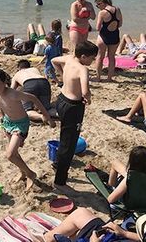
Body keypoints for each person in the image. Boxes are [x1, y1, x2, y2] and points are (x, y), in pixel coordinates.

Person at [0, 68, 55, 190]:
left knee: (10, 155)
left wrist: (46, 116)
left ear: (5, 83)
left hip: (20, 124)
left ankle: (30, 173)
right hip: (8, 123)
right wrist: (2, 117)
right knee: (14, 153)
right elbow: (1, 104)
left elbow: (33, 98)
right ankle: (23, 172)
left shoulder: (14, 94)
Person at [51, 41, 98, 190]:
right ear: (83, 56)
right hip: (72, 106)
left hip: (61, 100)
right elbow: (85, 91)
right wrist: (88, 98)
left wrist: (62, 75)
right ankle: (60, 181)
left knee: (64, 136)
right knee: (69, 143)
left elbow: (53, 61)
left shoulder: (68, 59)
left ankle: (57, 163)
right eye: (92, 58)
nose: (93, 61)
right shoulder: (83, 69)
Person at [41, 207, 141, 242]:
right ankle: (49, 237)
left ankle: (48, 238)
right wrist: (124, 233)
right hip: (113, 237)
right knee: (81, 213)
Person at [94, 0, 122, 82]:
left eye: (98, 5)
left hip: (104, 36)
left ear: (103, 2)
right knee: (111, 57)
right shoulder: (117, 9)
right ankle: (109, 78)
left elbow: (98, 28)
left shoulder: (102, 13)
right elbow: (120, 24)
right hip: (114, 35)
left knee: (100, 57)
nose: (98, 7)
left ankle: (98, 77)